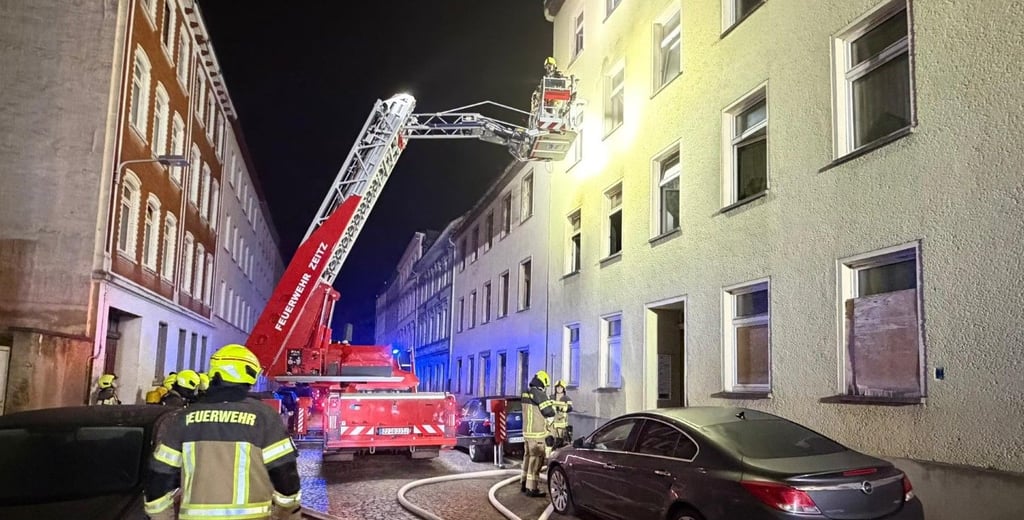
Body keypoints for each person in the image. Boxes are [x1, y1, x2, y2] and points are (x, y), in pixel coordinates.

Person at [144, 343, 302, 520]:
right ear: (248, 376)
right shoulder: (264, 417)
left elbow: (158, 477)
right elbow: (285, 474)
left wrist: (162, 516)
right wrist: (287, 512)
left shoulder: (183, 418)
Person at [520, 369, 556, 497]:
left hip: (526, 433)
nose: (545, 389)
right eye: (545, 386)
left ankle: (524, 483)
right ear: (543, 383)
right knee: (536, 461)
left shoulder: (526, 393)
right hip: (537, 434)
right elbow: (548, 412)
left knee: (527, 458)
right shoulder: (539, 394)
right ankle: (532, 488)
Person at [550, 380, 574, 450]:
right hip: (551, 423)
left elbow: (570, 408)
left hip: (561, 423)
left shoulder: (566, 398)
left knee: (559, 440)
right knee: (550, 440)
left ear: (563, 389)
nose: (559, 389)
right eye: (557, 387)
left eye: (561, 388)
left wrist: (563, 408)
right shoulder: (551, 397)